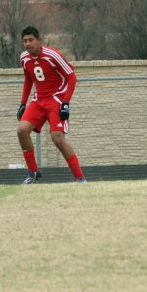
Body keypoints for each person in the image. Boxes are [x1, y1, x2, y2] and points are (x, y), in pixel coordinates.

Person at [16, 26, 86, 184]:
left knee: (57, 139)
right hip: (38, 100)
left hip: (56, 99)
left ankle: (80, 178)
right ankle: (33, 172)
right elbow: (28, 79)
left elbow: (72, 76)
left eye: (31, 40)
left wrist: (66, 103)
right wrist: (22, 104)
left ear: (39, 40)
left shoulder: (52, 54)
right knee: (21, 130)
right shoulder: (24, 58)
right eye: (25, 41)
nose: (27, 44)